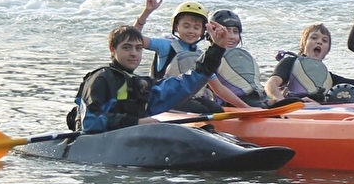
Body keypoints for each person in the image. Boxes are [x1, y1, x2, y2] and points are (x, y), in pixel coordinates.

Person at [69, 21, 236, 133]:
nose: (134, 54)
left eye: (138, 48)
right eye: (127, 48)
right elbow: (90, 122)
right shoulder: (100, 79)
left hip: (131, 138)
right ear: (112, 49)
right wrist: (136, 123)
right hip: (103, 143)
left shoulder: (139, 84)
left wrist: (217, 48)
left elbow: (184, 85)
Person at [264, 22, 354, 103]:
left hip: (320, 110)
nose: (319, 42)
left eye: (324, 41)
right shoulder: (290, 62)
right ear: (303, 44)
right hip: (295, 109)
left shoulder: (330, 79)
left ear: (327, 51)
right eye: (314, 38)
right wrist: (282, 102)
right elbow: (271, 85)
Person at [130, 0, 209, 79]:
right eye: (186, 26)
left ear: (202, 31)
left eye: (196, 28)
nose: (191, 31)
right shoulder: (166, 46)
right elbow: (132, 37)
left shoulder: (201, 54)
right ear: (175, 27)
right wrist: (147, 12)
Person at [203, 9, 269, 108]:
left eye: (235, 32)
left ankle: (266, 103)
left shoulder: (246, 56)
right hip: (235, 104)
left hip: (259, 98)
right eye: (226, 31)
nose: (231, 36)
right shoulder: (208, 59)